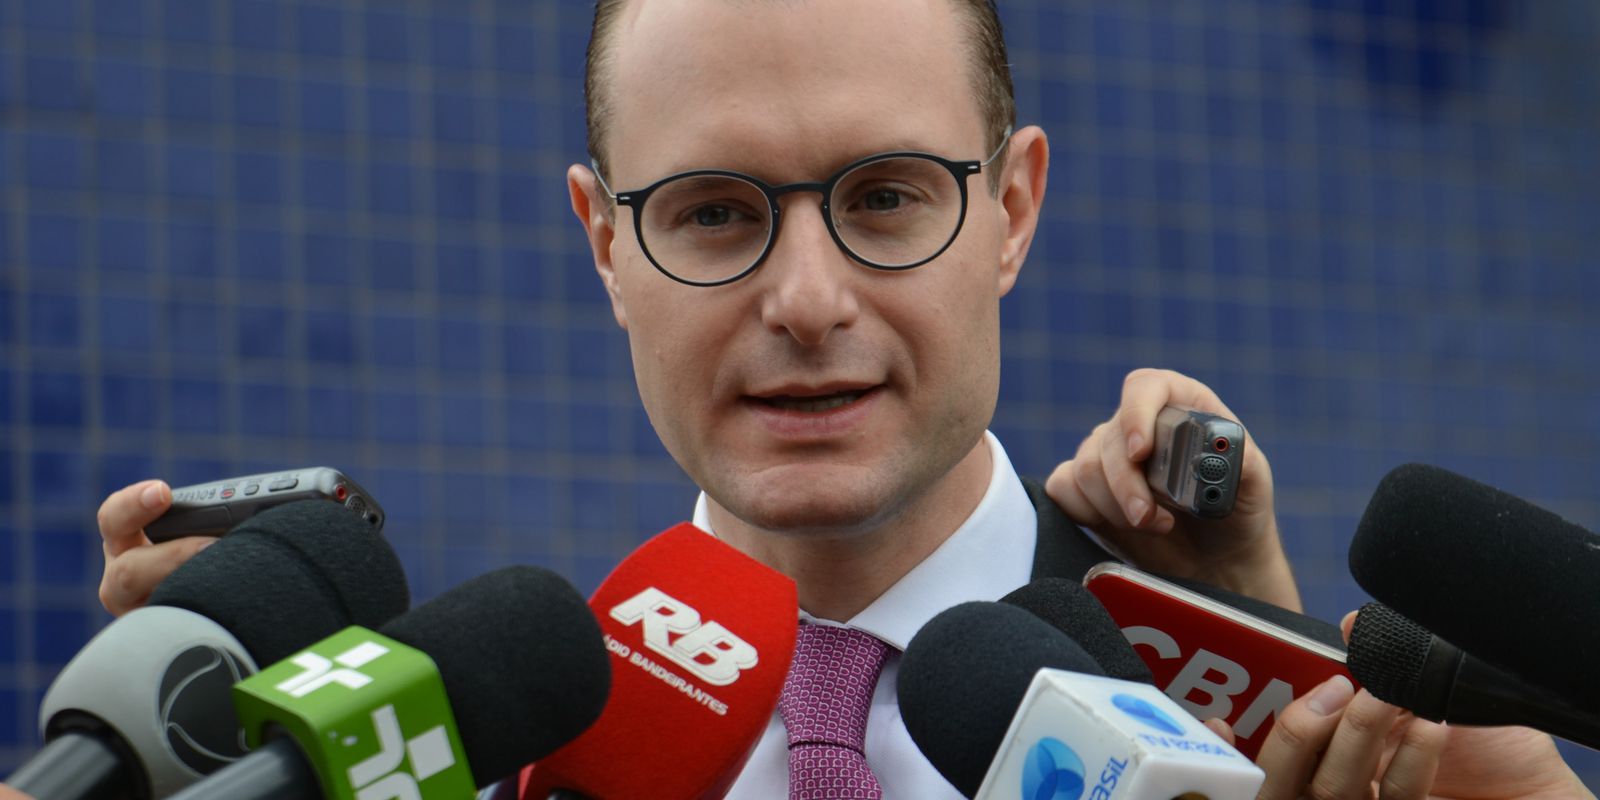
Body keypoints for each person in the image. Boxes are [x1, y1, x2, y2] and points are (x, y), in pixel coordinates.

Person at [94, 1, 1589, 797]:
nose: (807, 300)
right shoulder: (482, 748)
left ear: (1011, 212)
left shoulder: (1280, 741)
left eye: (885, 196)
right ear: (607, 246)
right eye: (714, 212)